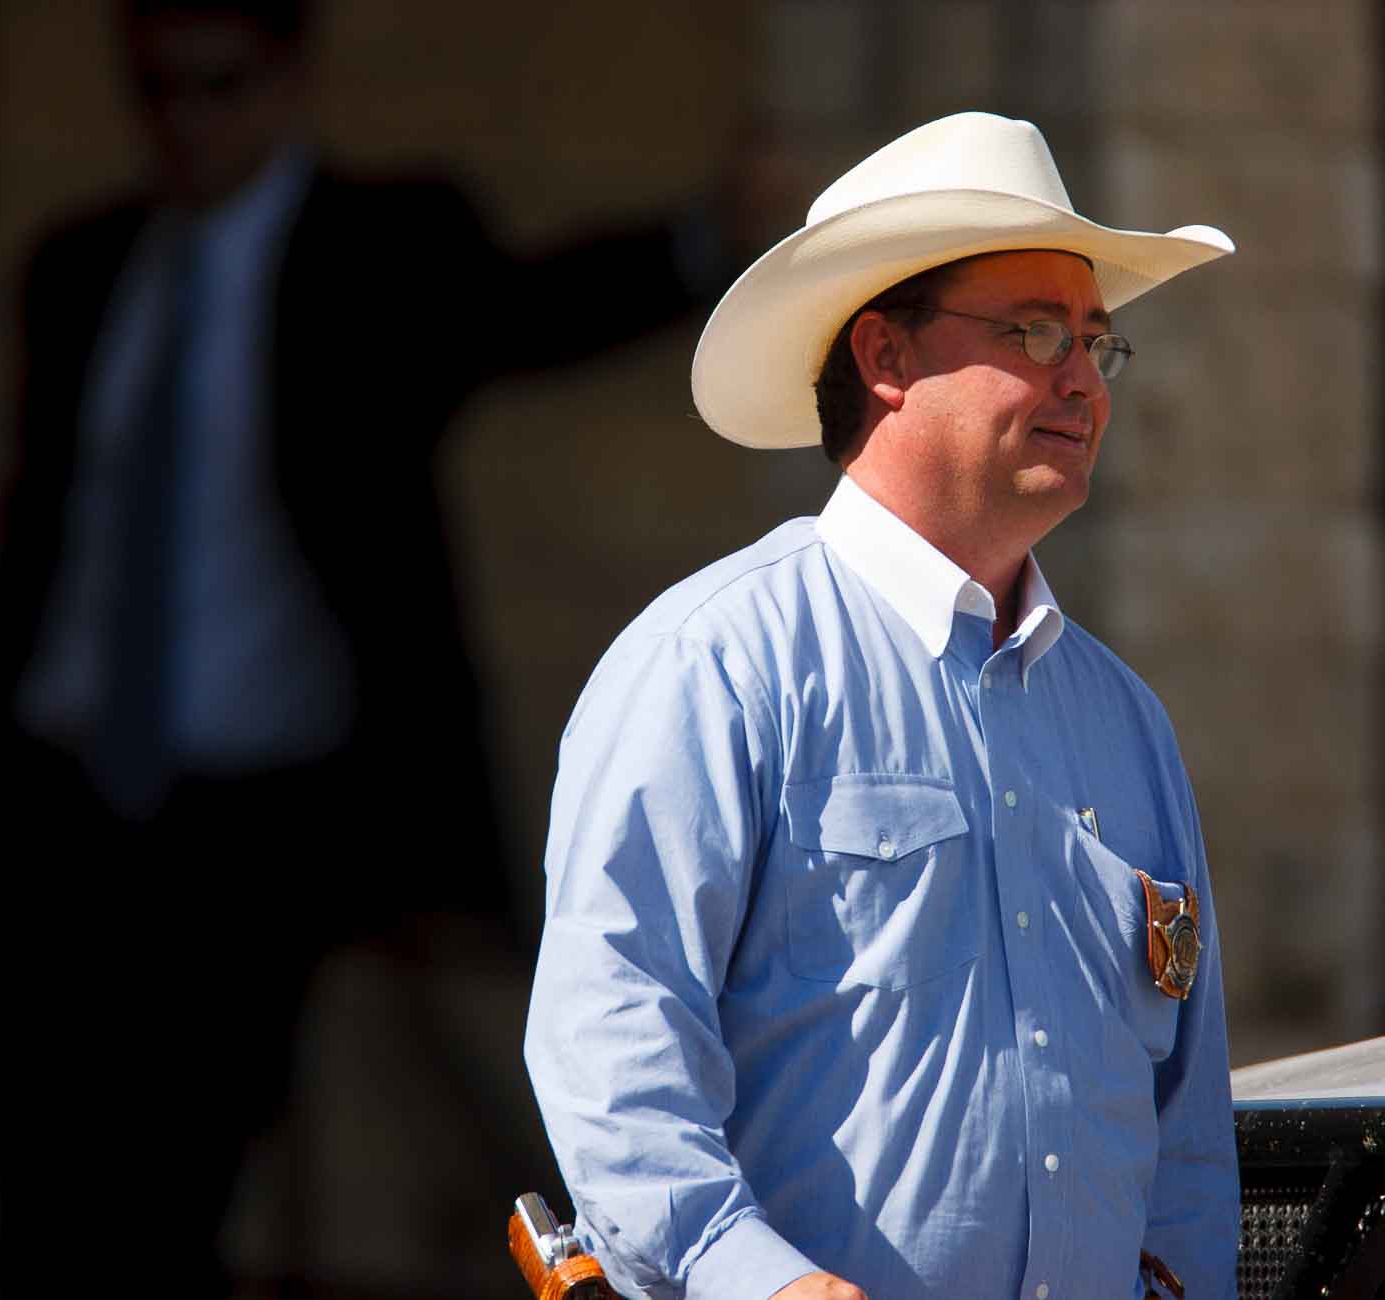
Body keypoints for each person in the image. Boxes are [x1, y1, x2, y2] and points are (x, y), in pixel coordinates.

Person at [0, 1, 738, 1294]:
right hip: (44, 800)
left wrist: (713, 241)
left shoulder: (377, 249)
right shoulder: (81, 262)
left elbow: (529, 309)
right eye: (157, 90)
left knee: (171, 1197)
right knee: (42, 1203)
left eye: (218, 85)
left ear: (287, 82)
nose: (186, 122)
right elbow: (38, 549)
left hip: (259, 818)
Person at [525, 111, 1240, 1300]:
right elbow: (612, 1050)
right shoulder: (716, 665)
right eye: (1037, 330)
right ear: (886, 359)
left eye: (1098, 344)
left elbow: (1189, 1140)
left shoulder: (1127, 725)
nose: (1081, 375)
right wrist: (755, 1280)